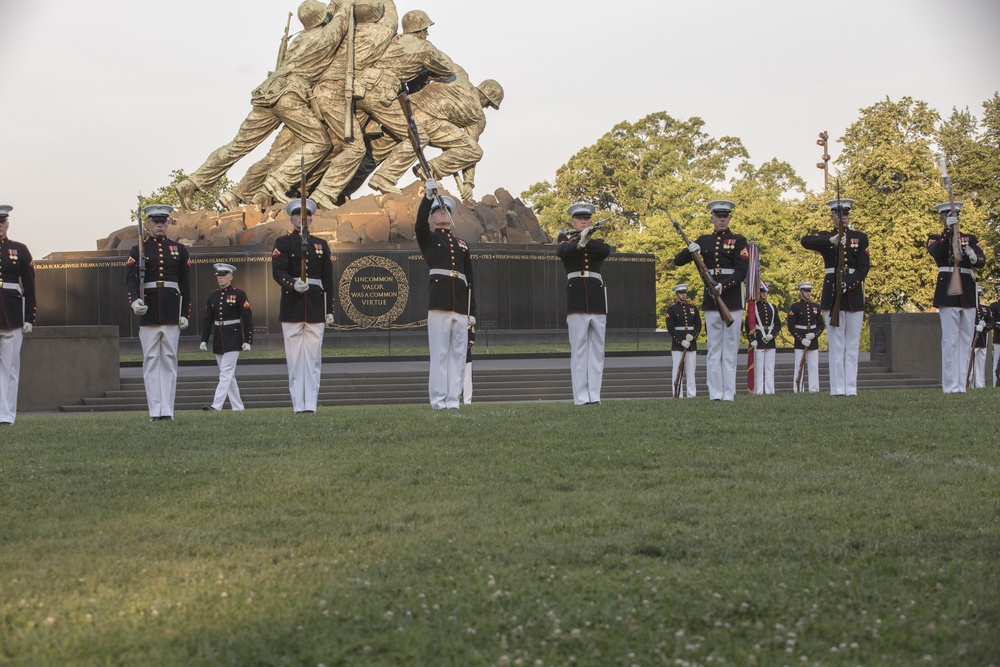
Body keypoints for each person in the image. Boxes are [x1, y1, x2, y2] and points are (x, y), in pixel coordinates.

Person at [174, 0, 354, 209]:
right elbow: (342, 16)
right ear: (323, 19)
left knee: (237, 145)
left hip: (268, 91)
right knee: (320, 142)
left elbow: (330, 14)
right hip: (289, 96)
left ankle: (193, 182)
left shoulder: (301, 38)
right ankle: (278, 181)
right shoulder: (324, 38)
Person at [674, 200, 748, 402]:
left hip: (731, 298)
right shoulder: (704, 241)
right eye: (719, 216)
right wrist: (690, 249)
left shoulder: (739, 241)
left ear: (729, 218)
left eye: (725, 216)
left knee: (730, 349)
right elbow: (677, 261)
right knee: (714, 349)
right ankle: (715, 393)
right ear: (712, 218)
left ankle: (728, 393)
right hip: (711, 300)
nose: (722, 220)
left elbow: (742, 271)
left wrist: (724, 285)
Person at [415, 180, 477, 409]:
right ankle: (439, 401)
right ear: (433, 218)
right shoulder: (430, 239)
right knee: (440, 354)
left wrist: (472, 313)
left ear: (451, 217)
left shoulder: (462, 245)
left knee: (458, 356)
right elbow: (419, 226)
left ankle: (454, 401)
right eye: (438, 211)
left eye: (445, 211)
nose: (442, 214)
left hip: (460, 305)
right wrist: (427, 198)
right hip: (439, 303)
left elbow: (469, 281)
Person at [126, 205, 191, 421]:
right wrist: (135, 301)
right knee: (152, 360)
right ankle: (155, 410)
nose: (160, 225)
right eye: (156, 222)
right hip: (150, 310)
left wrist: (185, 313)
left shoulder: (179, 250)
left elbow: (186, 284)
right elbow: (130, 279)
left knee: (170, 360)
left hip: (172, 309)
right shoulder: (139, 250)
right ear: (148, 224)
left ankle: (167, 410)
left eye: (164, 221)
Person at [271, 198, 335, 413]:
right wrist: (292, 283)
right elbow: (278, 271)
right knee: (296, 360)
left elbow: (328, 280)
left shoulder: (321, 245)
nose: (302, 219)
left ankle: (311, 405)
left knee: (313, 360)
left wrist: (329, 310)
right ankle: (298, 405)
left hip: (316, 306)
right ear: (292, 219)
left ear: (312, 219)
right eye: (298, 215)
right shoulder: (283, 243)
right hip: (292, 306)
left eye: (306, 216)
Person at [801, 198, 869, 396]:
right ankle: (837, 388)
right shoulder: (827, 237)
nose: (844, 218)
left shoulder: (860, 237)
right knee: (837, 344)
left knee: (852, 344)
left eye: (846, 214)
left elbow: (864, 268)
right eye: (840, 214)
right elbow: (805, 240)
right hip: (832, 294)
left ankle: (851, 388)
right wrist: (830, 241)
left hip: (854, 294)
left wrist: (848, 284)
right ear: (832, 216)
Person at [925, 201, 985, 393]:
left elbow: (981, 260)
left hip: (967, 292)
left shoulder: (969, 238)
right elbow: (936, 253)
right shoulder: (935, 238)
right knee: (950, 340)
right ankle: (950, 385)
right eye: (949, 216)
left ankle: (961, 385)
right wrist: (950, 233)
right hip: (947, 292)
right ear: (942, 218)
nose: (953, 218)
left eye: (956, 215)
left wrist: (973, 256)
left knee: (966, 340)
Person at [557, 202, 613, 405]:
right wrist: (579, 242)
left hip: (597, 301)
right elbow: (562, 252)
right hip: (577, 301)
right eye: (580, 219)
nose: (583, 221)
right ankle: (581, 397)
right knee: (579, 351)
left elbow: (605, 251)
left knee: (597, 352)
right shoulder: (566, 243)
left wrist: (587, 239)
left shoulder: (596, 243)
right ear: (572, 221)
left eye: (586, 219)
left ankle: (595, 396)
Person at [199, 263, 254, 411]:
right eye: (218, 275)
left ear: (230, 276)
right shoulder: (212, 296)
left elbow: (247, 318)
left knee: (225, 373)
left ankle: (216, 406)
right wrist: (204, 339)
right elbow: (208, 320)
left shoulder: (239, 294)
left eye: (223, 275)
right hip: (219, 337)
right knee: (229, 376)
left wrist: (248, 340)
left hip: (233, 337)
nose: (220, 278)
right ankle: (238, 407)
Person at [0, 205, 36, 426]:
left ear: (7, 224)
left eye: (2, 222)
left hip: (12, 315)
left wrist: (29, 318)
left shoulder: (20, 250)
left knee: (10, 368)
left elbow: (30, 286)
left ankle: (6, 416)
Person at [786, 282, 825, 393]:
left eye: (809, 291)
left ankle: (814, 389)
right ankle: (798, 389)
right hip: (800, 340)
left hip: (813, 340)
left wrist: (815, 334)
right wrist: (801, 339)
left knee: (813, 367)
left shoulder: (816, 307)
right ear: (801, 292)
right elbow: (791, 327)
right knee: (799, 366)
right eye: (806, 291)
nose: (808, 293)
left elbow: (821, 325)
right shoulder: (795, 307)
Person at [665, 283, 701, 398]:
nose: (683, 295)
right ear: (677, 294)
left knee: (691, 370)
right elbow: (671, 328)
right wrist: (680, 341)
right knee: (677, 370)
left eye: (685, 293)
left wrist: (693, 336)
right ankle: (677, 394)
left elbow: (698, 324)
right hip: (677, 344)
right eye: (681, 293)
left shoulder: (693, 308)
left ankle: (691, 394)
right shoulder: (672, 309)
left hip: (691, 343)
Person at [745, 282, 780, 395]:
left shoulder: (772, 307)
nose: (764, 294)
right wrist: (752, 339)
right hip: (759, 339)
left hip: (770, 339)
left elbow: (777, 324)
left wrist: (772, 335)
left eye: (765, 291)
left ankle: (770, 390)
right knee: (759, 368)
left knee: (770, 368)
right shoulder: (753, 307)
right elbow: (748, 325)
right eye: (762, 291)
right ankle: (759, 391)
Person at [970, 285, 992, 389]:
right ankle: (969, 383)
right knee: (969, 363)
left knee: (980, 364)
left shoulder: (985, 309)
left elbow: (991, 323)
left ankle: (980, 385)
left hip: (982, 340)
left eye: (979, 295)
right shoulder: (968, 309)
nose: (978, 297)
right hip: (971, 339)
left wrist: (985, 325)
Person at [462, 322, 475, 405]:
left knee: (467, 378)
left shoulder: (469, 323)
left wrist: (468, 347)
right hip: (454, 354)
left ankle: (467, 400)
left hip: (466, 354)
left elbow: (472, 338)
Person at [990, 285, 1000, 387]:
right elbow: (993, 322)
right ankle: (995, 383)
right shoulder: (994, 306)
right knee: (996, 362)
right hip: (998, 337)